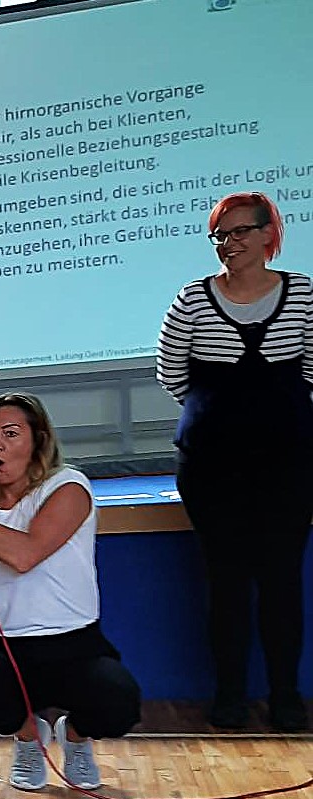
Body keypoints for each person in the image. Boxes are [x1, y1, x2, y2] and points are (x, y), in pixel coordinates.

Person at [0, 393, 141, 792]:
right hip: (10, 650)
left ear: (38, 440)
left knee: (118, 703)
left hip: (76, 646)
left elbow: (25, 555)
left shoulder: (68, 487)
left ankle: (75, 738)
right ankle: (30, 738)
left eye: (10, 434)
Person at [157, 192, 312, 731]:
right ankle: (230, 697)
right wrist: (219, 413)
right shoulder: (193, 299)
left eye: (241, 231)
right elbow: (170, 372)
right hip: (212, 468)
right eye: (221, 236)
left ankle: (286, 696)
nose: (230, 243)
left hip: (287, 464)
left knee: (281, 580)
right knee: (225, 581)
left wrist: (275, 412)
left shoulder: (303, 293)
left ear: (269, 234)